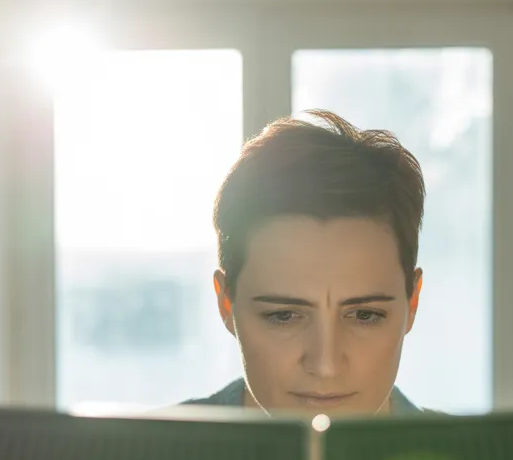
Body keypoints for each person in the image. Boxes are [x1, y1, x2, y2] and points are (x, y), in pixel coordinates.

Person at [183, 110, 431, 416]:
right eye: (284, 316)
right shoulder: (137, 459)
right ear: (226, 303)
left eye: (365, 315)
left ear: (413, 302)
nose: (325, 366)